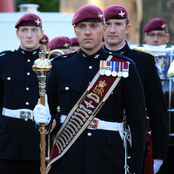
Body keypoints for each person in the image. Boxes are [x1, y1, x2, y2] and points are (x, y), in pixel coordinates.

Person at [33, 4, 146, 174]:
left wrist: (136, 165)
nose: (87, 32)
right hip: (68, 156)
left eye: (93, 26)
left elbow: (137, 122)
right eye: (81, 27)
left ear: (104, 29)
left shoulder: (124, 66)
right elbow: (49, 113)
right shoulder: (59, 66)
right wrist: (43, 118)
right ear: (75, 30)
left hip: (109, 158)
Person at [103, 4, 168, 174]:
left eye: (118, 24)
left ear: (127, 28)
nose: (112, 30)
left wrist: (159, 155)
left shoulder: (143, 62)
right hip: (99, 146)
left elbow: (158, 111)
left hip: (134, 145)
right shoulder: (92, 61)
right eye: (107, 24)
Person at [0, 13, 46, 174]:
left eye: (34, 30)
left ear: (41, 33)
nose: (29, 35)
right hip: (7, 140)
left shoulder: (50, 64)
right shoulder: (4, 61)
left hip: (38, 139)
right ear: (17, 33)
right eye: (24, 30)